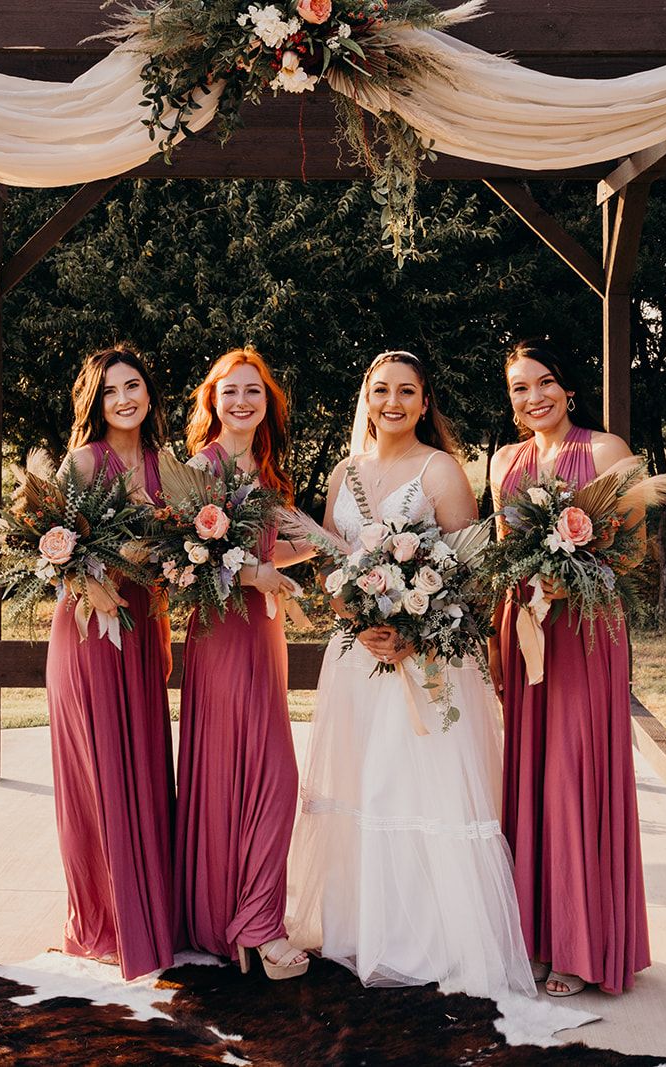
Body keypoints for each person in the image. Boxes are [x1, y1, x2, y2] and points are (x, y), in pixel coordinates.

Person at [288, 350, 535, 999]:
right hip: (354, 657)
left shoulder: (440, 470)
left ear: (425, 402)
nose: (391, 402)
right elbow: (332, 563)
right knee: (362, 787)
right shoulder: (345, 469)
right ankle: (365, 929)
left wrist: (408, 627)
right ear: (366, 397)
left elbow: (468, 573)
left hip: (422, 661)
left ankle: (426, 939)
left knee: (410, 788)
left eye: (406, 391)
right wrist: (354, 613)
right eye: (380, 390)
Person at [488, 338, 651, 996]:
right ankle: (533, 936)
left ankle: (582, 948)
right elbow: (503, 551)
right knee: (530, 780)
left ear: (568, 387)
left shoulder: (607, 451)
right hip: (525, 626)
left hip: (586, 627)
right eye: (521, 388)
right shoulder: (504, 459)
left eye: (545, 381)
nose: (535, 397)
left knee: (573, 777)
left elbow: (633, 549)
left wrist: (573, 571)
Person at [175, 347, 314, 980]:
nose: (241, 402)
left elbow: (261, 550)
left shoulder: (261, 469)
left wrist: (312, 550)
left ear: (267, 402)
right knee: (269, 778)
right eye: (229, 392)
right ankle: (256, 925)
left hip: (262, 635)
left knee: (251, 777)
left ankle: (229, 919)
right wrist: (257, 571)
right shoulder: (199, 471)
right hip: (223, 639)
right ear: (212, 400)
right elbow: (186, 564)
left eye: (253, 392)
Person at [45, 344, 176, 980]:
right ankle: (105, 917)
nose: (123, 399)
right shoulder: (81, 462)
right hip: (90, 628)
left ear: (148, 393)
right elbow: (52, 550)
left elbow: (181, 545)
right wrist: (85, 583)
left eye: (133, 386)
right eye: (109, 391)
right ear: (94, 402)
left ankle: (150, 910)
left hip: (144, 626)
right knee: (98, 768)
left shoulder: (164, 465)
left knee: (144, 762)